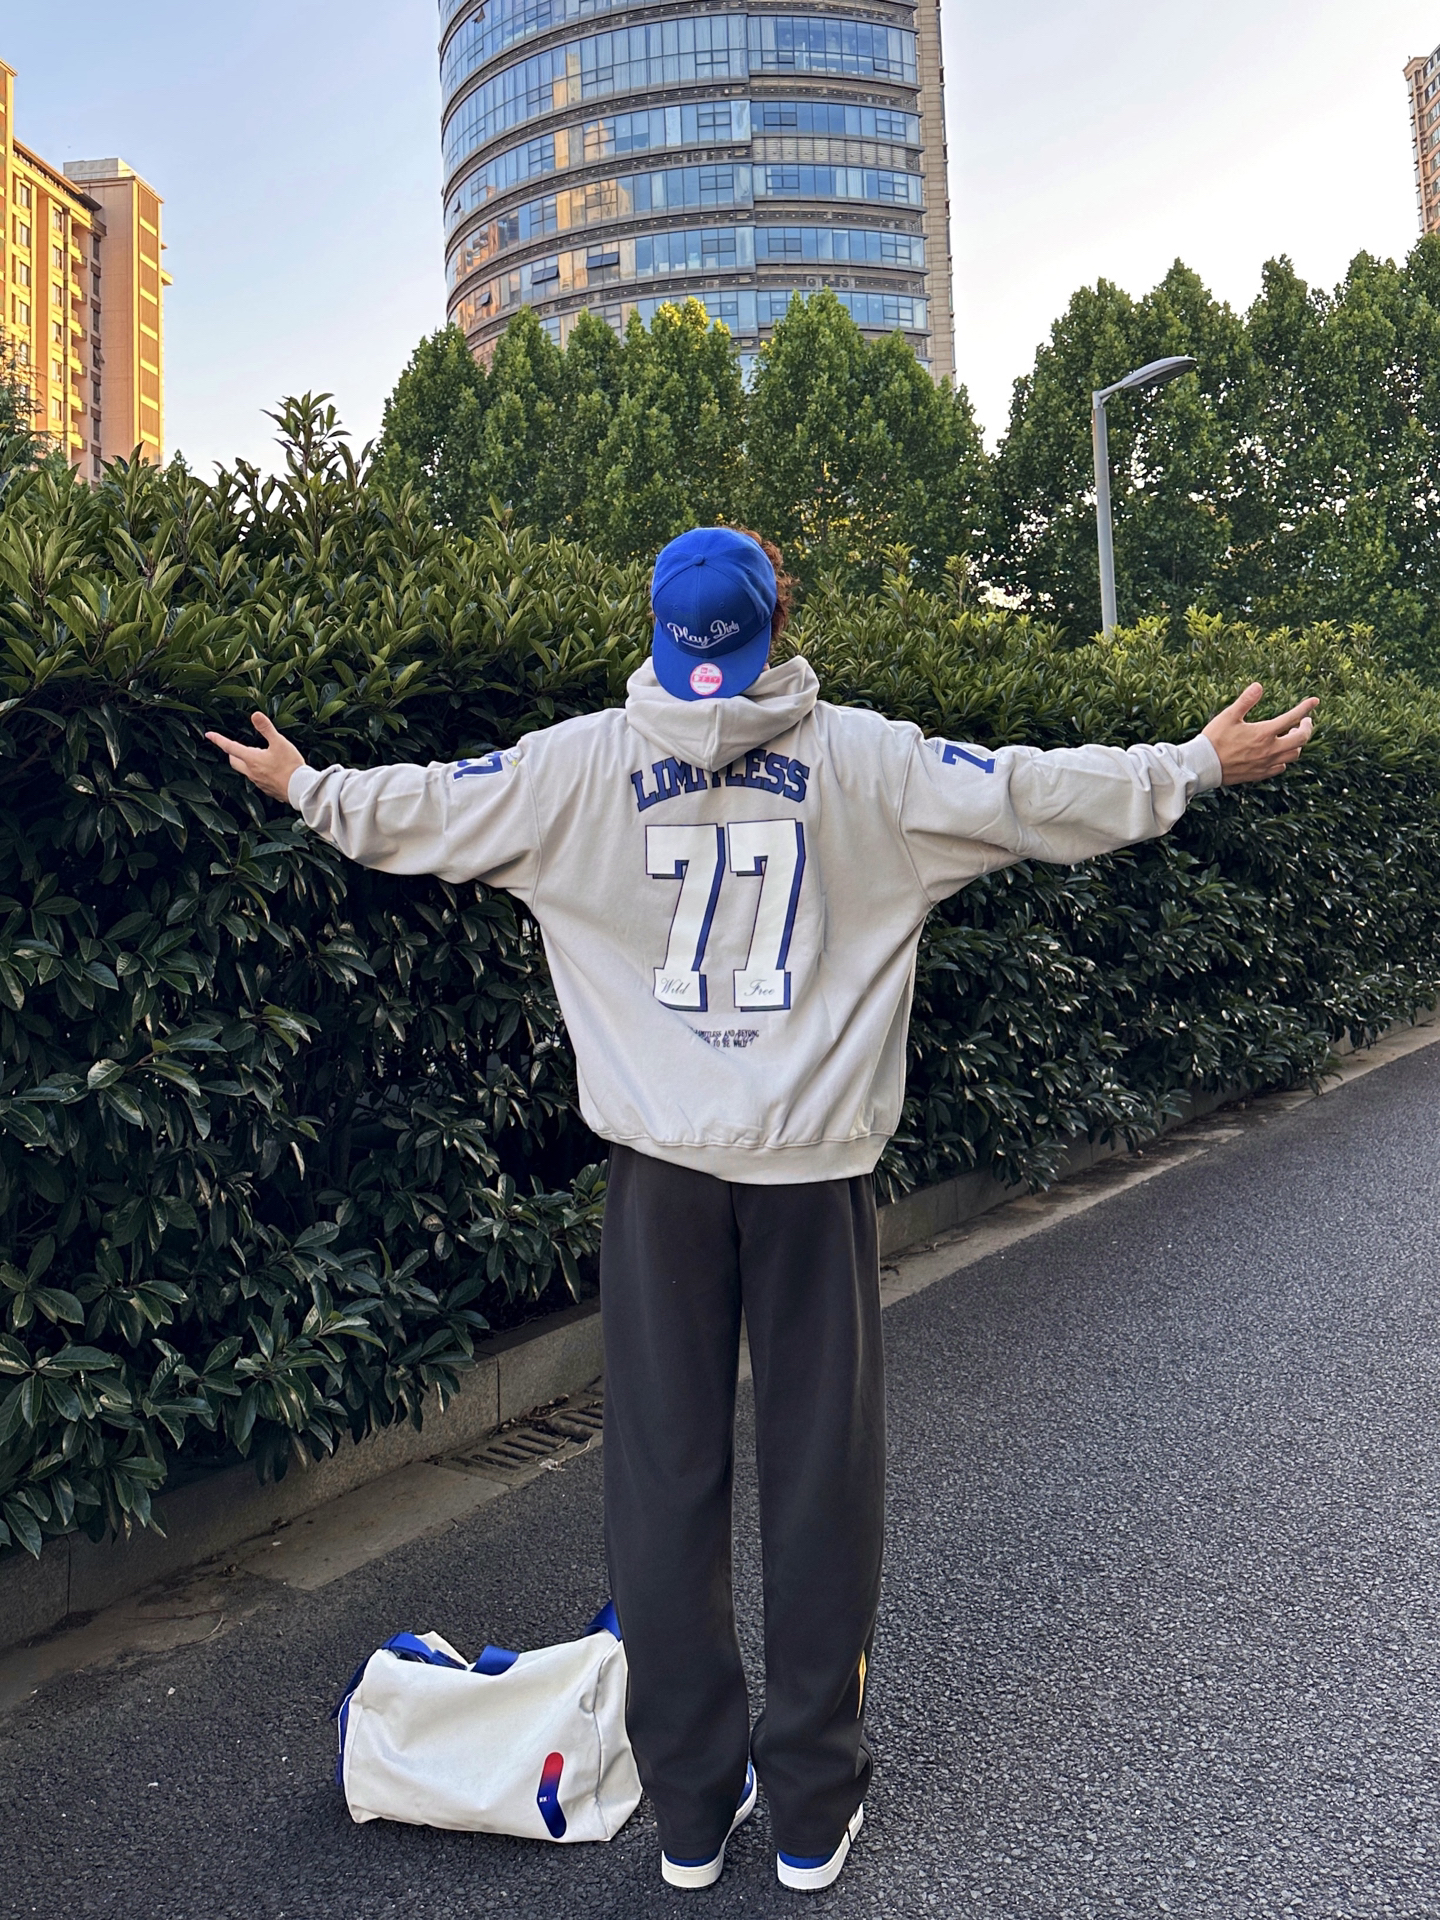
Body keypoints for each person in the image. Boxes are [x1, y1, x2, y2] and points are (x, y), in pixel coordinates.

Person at [207, 525, 1316, 1893]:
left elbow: (426, 808)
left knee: (662, 1482)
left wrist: (308, 785)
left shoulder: (572, 768)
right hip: (811, 1178)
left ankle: (689, 1812)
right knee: (818, 1481)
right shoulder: (869, 763)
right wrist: (1192, 764)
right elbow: (1033, 793)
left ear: (661, 630)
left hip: (660, 1182)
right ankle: (807, 1810)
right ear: (778, 621)